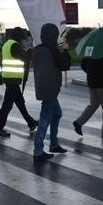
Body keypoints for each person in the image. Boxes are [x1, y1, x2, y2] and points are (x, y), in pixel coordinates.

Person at [32, 23, 71, 162]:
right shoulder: (52, 50)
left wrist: (58, 50)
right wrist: (65, 50)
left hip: (42, 87)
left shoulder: (38, 49)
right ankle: (38, 150)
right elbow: (65, 65)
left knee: (56, 114)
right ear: (53, 35)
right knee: (45, 118)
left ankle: (54, 144)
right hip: (50, 89)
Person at [0, 27, 37, 137]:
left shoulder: (7, 44)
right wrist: (31, 50)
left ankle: (31, 122)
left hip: (9, 78)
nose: (22, 40)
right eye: (22, 38)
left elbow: (19, 55)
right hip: (12, 79)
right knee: (7, 106)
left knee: (20, 103)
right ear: (18, 36)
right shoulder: (15, 45)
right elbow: (25, 57)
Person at [72, 54, 103, 140]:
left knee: (93, 105)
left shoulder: (90, 51)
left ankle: (79, 122)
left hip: (92, 83)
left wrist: (90, 72)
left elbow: (83, 63)